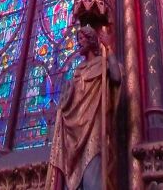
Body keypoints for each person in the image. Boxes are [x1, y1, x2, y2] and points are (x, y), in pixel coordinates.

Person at [46, 25, 121, 190]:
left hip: (94, 122)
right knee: (72, 180)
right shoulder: (78, 70)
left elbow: (116, 77)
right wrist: (64, 103)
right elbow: (70, 100)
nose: (78, 43)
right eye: (78, 39)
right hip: (75, 128)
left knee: (92, 174)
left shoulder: (102, 64)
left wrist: (109, 48)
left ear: (91, 40)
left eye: (82, 39)